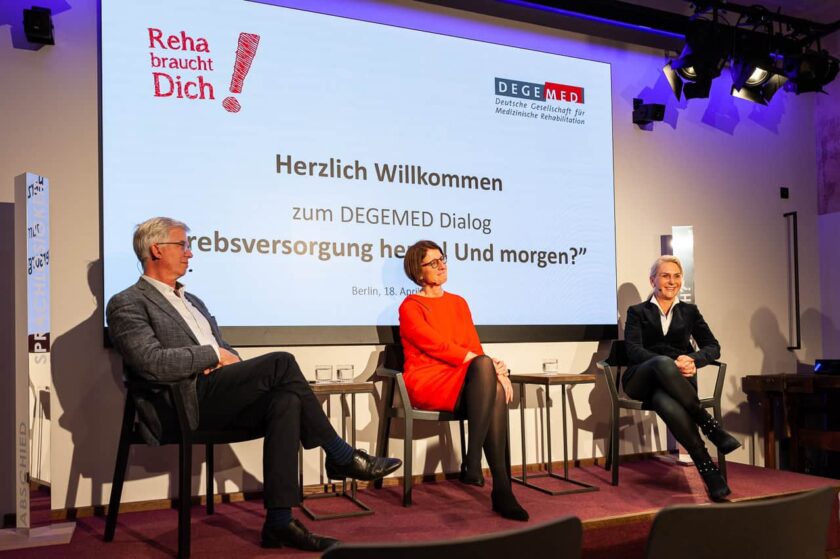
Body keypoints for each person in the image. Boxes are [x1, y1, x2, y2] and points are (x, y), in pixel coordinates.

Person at [106, 217, 401, 551]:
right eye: (183, 245)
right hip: (181, 403)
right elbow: (151, 363)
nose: (190, 254)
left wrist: (219, 355)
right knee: (282, 362)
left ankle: (279, 523)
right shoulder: (127, 302)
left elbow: (227, 351)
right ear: (156, 249)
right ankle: (340, 455)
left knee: (286, 400)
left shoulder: (194, 301)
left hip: (216, 395)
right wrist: (210, 355)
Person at [397, 240, 528, 521]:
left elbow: (474, 348)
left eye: (442, 259)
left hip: (460, 376)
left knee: (490, 381)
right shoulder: (411, 306)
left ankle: (488, 476)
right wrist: (489, 367)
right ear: (418, 273)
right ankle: (490, 479)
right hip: (428, 378)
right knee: (485, 370)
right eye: (433, 262)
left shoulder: (458, 302)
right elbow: (436, 346)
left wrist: (498, 373)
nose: (441, 264)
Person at [623, 255, 740, 501]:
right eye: (665, 275)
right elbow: (632, 350)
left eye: (676, 276)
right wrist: (671, 362)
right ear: (652, 279)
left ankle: (710, 474)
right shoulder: (637, 312)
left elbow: (713, 346)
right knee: (662, 363)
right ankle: (710, 426)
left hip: (674, 386)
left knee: (664, 401)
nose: (671, 281)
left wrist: (694, 360)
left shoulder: (689, 311)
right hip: (641, 379)